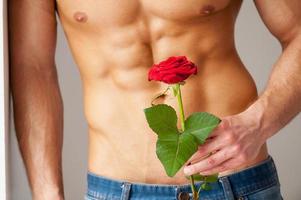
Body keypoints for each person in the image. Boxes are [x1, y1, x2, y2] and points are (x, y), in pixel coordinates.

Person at [8, 0, 301, 199]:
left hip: (233, 184)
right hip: (115, 189)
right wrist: (47, 194)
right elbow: (32, 67)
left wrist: (259, 122)